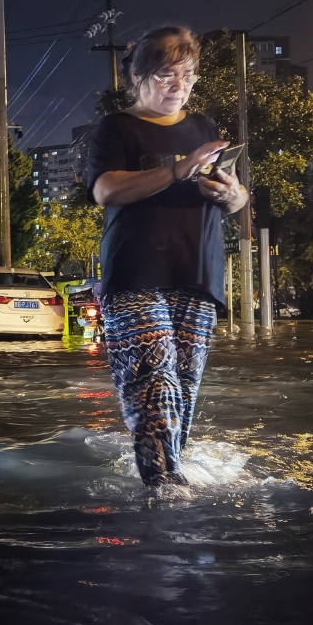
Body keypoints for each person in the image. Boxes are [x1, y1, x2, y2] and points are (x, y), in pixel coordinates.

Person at [87, 25, 248, 488]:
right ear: (139, 78)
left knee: (182, 393)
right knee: (154, 387)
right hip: (136, 275)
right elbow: (106, 189)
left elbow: (237, 203)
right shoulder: (116, 127)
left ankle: (165, 486)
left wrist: (231, 193)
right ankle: (164, 502)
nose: (180, 85)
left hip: (196, 276)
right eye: (166, 75)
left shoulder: (203, 128)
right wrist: (179, 168)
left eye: (188, 75)